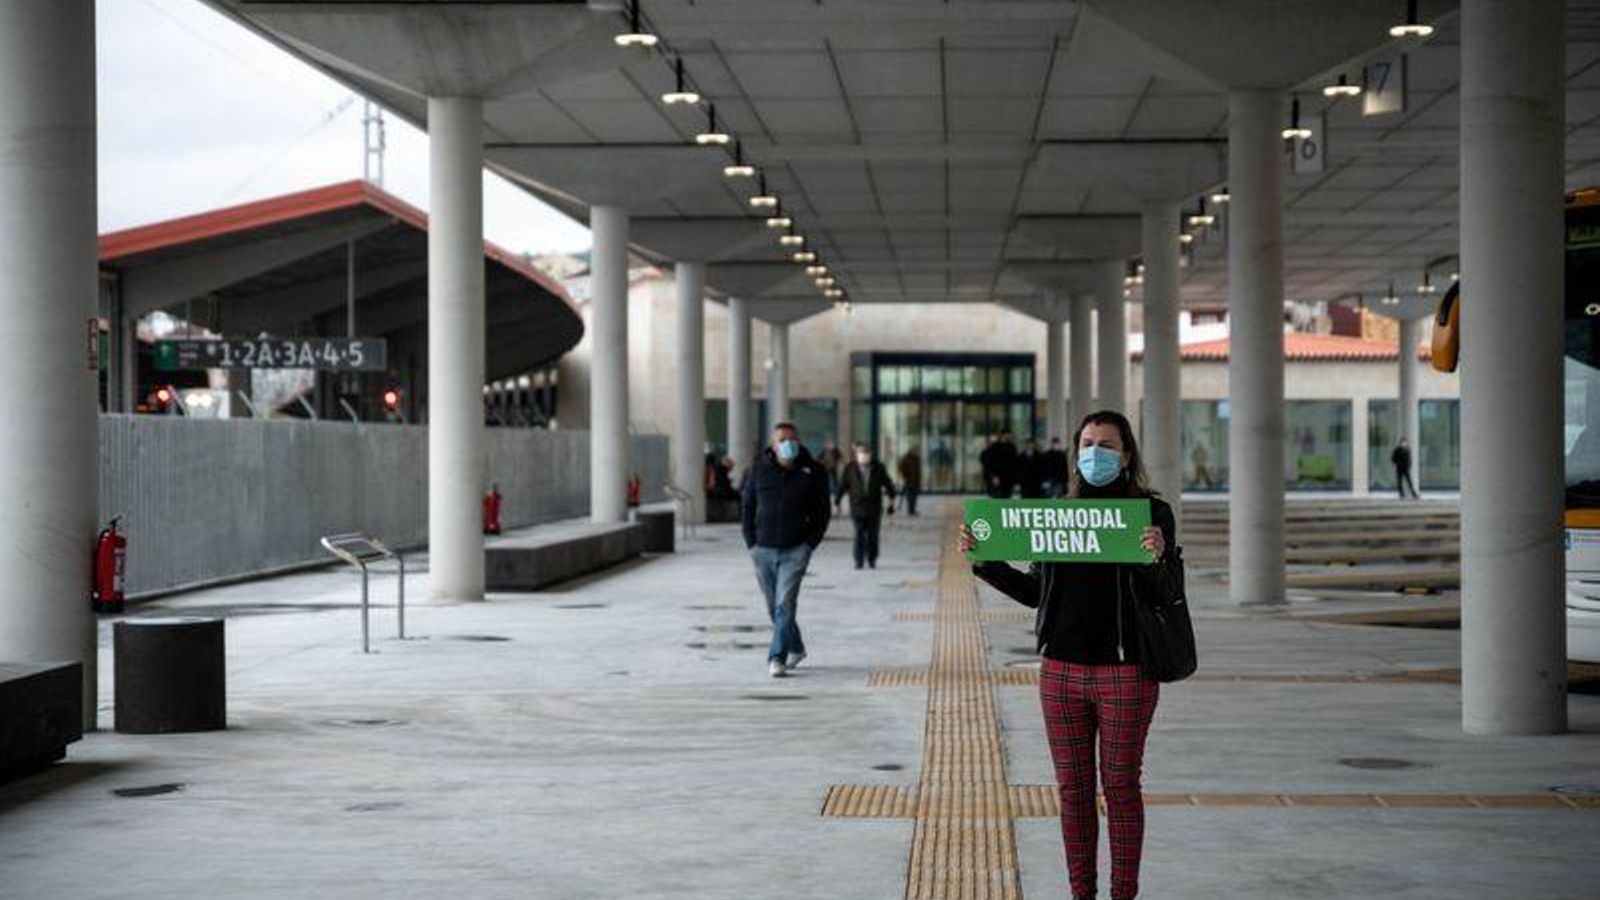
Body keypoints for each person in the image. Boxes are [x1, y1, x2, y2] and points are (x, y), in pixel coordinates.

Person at [958, 410, 1181, 900]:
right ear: (1076, 454)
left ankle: (1123, 893)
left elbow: (1166, 594)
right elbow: (1036, 591)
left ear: (1126, 455)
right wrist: (986, 563)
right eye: (1087, 444)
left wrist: (1156, 556)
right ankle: (1082, 893)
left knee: (1120, 787)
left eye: (1107, 445)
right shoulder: (1059, 513)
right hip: (1060, 673)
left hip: (1126, 672)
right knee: (1073, 791)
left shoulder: (1150, 513)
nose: (1095, 453)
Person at [742, 422, 831, 678]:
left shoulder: (813, 472)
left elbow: (822, 512)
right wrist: (751, 542)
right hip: (762, 550)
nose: (788, 444)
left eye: (792, 439)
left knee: (785, 604)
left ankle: (776, 657)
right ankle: (796, 647)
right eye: (782, 440)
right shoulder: (758, 470)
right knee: (774, 606)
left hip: (795, 550)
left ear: (799, 442)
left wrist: (809, 545)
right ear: (773, 445)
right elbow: (747, 506)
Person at [835, 442, 897, 569]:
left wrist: (891, 497)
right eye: (861, 452)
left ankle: (872, 558)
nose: (864, 455)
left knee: (873, 535)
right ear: (857, 454)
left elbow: (887, 483)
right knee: (859, 533)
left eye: (866, 453)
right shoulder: (850, 468)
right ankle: (859, 560)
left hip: (874, 507)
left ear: (870, 454)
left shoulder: (878, 467)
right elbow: (842, 485)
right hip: (857, 507)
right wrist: (837, 501)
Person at [979, 429, 1020, 498]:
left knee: (1006, 497)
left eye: (1010, 436)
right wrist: (993, 476)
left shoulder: (1012, 447)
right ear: (1002, 435)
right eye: (1007, 436)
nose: (1008, 438)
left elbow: (1014, 464)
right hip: (997, 478)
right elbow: (989, 463)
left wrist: (1015, 478)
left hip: (1008, 479)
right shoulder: (994, 447)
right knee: (996, 497)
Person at [820, 441, 846, 514]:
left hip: (833, 469)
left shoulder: (835, 451)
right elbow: (819, 458)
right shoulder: (824, 451)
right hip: (827, 469)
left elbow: (841, 457)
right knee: (827, 483)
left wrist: (841, 462)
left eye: (830, 444)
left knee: (835, 484)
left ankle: (837, 501)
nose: (830, 446)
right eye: (828, 444)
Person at [897, 446, 923, 516]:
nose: (917, 452)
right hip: (909, 480)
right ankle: (910, 510)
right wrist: (905, 476)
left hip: (916, 480)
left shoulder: (917, 459)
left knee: (914, 496)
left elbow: (918, 470)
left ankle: (912, 509)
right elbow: (901, 468)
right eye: (916, 450)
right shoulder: (906, 458)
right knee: (910, 496)